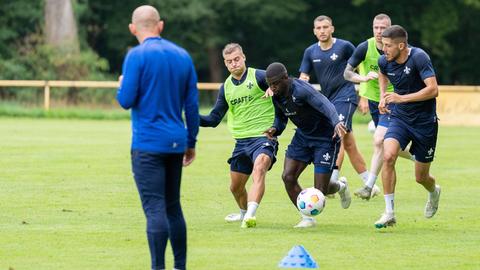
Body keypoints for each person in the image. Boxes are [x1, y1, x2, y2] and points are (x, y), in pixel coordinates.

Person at [116, 5, 199, 270]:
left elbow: (126, 100)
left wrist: (121, 85)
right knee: (173, 206)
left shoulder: (136, 56)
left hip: (148, 144)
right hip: (176, 142)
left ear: (132, 29)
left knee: (155, 209)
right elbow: (192, 107)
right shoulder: (183, 56)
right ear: (160, 25)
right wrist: (191, 142)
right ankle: (180, 266)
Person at [200, 43, 286, 228]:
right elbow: (214, 119)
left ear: (244, 57)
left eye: (237, 59)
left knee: (260, 167)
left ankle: (250, 216)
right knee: (235, 187)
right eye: (229, 61)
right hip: (241, 142)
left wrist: (275, 88)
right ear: (225, 64)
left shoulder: (261, 76)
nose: (234, 64)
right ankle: (243, 213)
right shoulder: (226, 87)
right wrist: (191, 117)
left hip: (264, 137)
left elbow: (285, 84)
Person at [265, 62, 350, 228]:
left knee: (320, 191)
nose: (273, 88)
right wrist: (275, 128)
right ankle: (307, 218)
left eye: (275, 83)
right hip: (302, 137)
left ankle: (340, 186)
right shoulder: (276, 96)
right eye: (270, 85)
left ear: (285, 78)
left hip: (325, 138)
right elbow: (281, 118)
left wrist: (336, 122)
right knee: (287, 177)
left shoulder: (301, 90)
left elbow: (326, 104)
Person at [374, 25, 441, 228]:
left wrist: (401, 98)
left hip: (425, 123)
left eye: (388, 46)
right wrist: (383, 97)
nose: (384, 49)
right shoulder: (384, 60)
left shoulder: (419, 57)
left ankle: (434, 191)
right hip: (400, 119)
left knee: (421, 177)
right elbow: (382, 73)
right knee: (388, 155)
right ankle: (389, 212)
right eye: (383, 45)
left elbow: (433, 89)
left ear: (401, 45)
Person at [343, 14, 414, 200]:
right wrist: (363, 79)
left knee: (378, 140)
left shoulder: (398, 48)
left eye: (383, 28)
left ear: (390, 30)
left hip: (393, 100)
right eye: (376, 28)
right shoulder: (365, 47)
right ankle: (418, 156)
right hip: (375, 102)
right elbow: (347, 73)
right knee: (387, 144)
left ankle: (368, 186)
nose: (379, 31)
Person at [299, 15, 369, 189]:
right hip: (328, 102)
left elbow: (362, 69)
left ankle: (332, 180)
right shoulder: (310, 52)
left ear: (332, 29)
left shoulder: (344, 47)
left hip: (346, 96)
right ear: (314, 31)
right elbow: (303, 78)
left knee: (336, 133)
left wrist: (364, 96)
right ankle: (369, 183)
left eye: (325, 27)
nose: (322, 31)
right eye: (319, 28)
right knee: (349, 144)